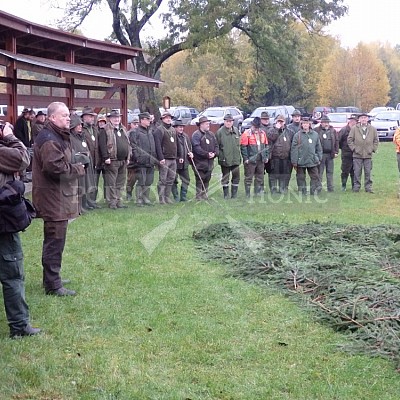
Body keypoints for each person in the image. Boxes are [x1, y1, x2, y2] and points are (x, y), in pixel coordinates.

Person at [32, 101, 86, 296]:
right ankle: (53, 285)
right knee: (54, 241)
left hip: (57, 197)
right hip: (52, 198)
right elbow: (55, 168)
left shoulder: (56, 135)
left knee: (56, 240)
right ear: (52, 117)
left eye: (68, 115)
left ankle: (53, 278)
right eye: (63, 115)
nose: (68, 118)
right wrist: (78, 169)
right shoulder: (49, 138)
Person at [0, 121, 42, 337]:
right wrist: (10, 136)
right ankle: (19, 326)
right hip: (3, 225)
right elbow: (23, 159)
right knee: (13, 275)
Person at [98, 109, 130, 209]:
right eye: (114, 117)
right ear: (110, 119)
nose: (116, 119)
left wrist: (128, 157)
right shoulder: (105, 129)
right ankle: (112, 202)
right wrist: (106, 157)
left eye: (118, 117)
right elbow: (102, 145)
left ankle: (118, 201)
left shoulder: (123, 129)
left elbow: (128, 144)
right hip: (112, 160)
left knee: (120, 182)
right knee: (111, 183)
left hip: (123, 160)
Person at [130, 112, 157, 206]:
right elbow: (133, 146)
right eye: (147, 119)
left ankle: (146, 198)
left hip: (151, 160)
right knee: (141, 180)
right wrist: (137, 157)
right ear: (142, 120)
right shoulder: (135, 132)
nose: (149, 121)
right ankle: (139, 199)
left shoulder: (150, 131)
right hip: (141, 160)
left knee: (149, 181)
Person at [153, 111, 180, 204]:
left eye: (170, 118)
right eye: (166, 118)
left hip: (173, 158)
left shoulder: (173, 130)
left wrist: (179, 155)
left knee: (171, 179)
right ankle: (161, 199)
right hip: (164, 158)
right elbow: (157, 146)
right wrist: (161, 158)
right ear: (162, 119)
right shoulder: (159, 130)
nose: (168, 119)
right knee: (163, 180)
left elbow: (177, 143)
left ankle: (167, 197)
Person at [347, 112, 379, 193]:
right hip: (357, 155)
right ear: (359, 119)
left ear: (367, 119)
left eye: (365, 118)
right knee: (357, 172)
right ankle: (356, 187)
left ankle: (368, 188)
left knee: (368, 172)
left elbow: (376, 140)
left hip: (368, 155)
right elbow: (349, 140)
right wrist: (354, 149)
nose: (363, 119)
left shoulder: (372, 129)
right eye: (362, 118)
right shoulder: (354, 128)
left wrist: (372, 149)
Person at [291, 116, 322, 195]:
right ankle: (302, 192)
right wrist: (294, 161)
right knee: (301, 178)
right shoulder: (297, 135)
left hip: (312, 160)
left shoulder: (315, 135)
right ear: (301, 124)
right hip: (300, 160)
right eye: (303, 123)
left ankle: (313, 191)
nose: (305, 125)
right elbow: (294, 149)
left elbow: (319, 147)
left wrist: (318, 158)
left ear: (309, 124)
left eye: (307, 123)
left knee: (315, 177)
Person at [69, 115, 94, 212]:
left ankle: (85, 203)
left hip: (86, 163)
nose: (80, 127)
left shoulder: (81, 136)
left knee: (86, 184)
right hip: (78, 164)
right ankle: (79, 207)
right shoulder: (70, 137)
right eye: (78, 125)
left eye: (81, 125)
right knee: (80, 185)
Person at [240, 117, 269, 198]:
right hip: (250, 160)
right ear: (252, 125)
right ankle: (248, 194)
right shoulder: (246, 134)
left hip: (261, 159)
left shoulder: (263, 133)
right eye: (255, 127)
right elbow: (243, 147)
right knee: (249, 177)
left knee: (260, 176)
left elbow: (266, 146)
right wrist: (246, 159)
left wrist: (266, 156)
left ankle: (257, 192)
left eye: (258, 127)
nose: (256, 129)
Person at [191, 116, 219, 200]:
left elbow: (216, 146)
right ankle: (198, 196)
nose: (208, 125)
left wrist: (214, 154)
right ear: (201, 125)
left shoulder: (211, 134)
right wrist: (207, 154)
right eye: (206, 124)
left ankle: (205, 195)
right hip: (199, 162)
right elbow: (196, 148)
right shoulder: (196, 135)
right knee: (200, 178)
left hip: (210, 162)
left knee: (207, 178)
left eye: (208, 123)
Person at [216, 114, 241, 199]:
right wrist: (221, 156)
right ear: (224, 122)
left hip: (236, 159)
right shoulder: (220, 132)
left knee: (236, 177)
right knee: (225, 177)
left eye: (230, 121)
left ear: (233, 122)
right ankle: (226, 195)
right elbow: (217, 146)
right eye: (227, 121)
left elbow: (238, 144)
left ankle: (234, 195)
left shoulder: (236, 130)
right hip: (225, 159)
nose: (228, 123)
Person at [267, 114, 293, 194]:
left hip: (286, 157)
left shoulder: (289, 132)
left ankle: (283, 189)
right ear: (276, 121)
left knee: (284, 175)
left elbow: (292, 144)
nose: (280, 123)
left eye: (282, 121)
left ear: (285, 122)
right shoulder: (271, 130)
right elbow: (271, 138)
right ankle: (273, 190)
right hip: (275, 157)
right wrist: (276, 129)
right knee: (273, 175)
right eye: (279, 121)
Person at [81, 106, 100, 208]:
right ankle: (86, 202)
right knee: (86, 182)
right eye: (90, 116)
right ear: (84, 117)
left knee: (94, 181)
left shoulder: (94, 129)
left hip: (95, 159)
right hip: (86, 160)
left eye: (93, 117)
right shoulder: (81, 129)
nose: (92, 118)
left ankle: (92, 200)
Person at [314, 115, 339, 192]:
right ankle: (318, 188)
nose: (326, 124)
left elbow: (337, 141)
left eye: (327, 122)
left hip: (330, 155)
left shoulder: (333, 130)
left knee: (330, 172)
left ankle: (330, 188)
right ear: (321, 123)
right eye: (324, 122)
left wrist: (336, 151)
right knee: (319, 172)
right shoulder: (316, 130)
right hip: (320, 154)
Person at [171, 119, 193, 202]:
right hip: (175, 163)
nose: (181, 129)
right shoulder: (172, 136)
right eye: (180, 127)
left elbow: (189, 147)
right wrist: (177, 158)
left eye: (182, 127)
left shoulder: (185, 136)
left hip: (185, 163)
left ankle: (183, 197)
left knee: (186, 179)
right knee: (173, 180)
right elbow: (171, 150)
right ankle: (176, 196)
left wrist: (190, 153)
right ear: (175, 127)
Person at [338, 115, 357, 191]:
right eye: (351, 120)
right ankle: (343, 185)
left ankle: (354, 186)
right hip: (346, 154)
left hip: (356, 154)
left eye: (354, 120)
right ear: (349, 121)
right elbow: (338, 141)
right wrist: (343, 149)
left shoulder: (358, 130)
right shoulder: (343, 130)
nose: (353, 122)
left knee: (354, 171)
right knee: (345, 171)